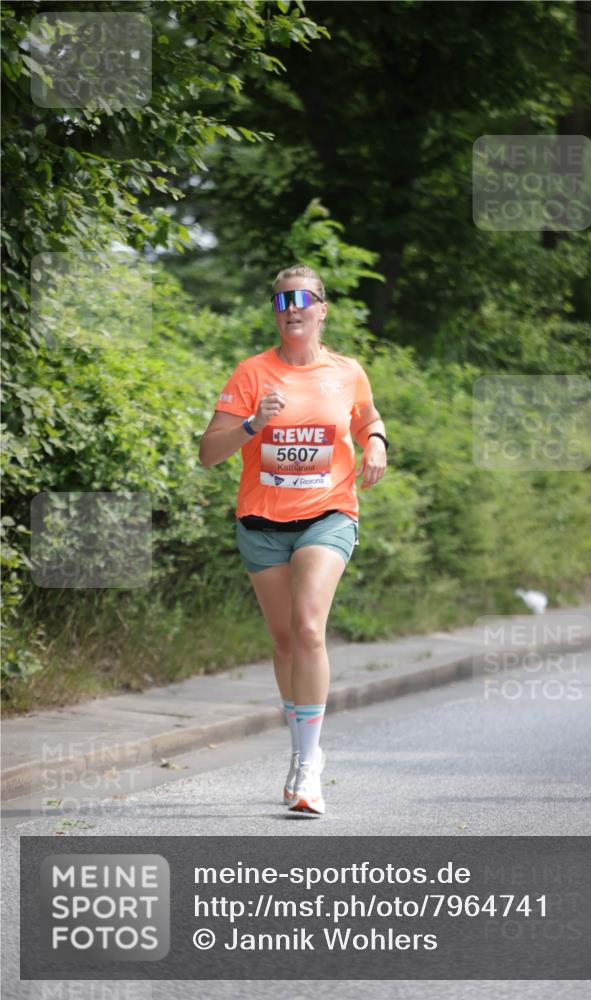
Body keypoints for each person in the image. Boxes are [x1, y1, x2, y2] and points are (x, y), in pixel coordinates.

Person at [199, 264, 388, 815]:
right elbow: (209, 453)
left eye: (304, 298)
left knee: (308, 627)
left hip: (327, 516)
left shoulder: (347, 372)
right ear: (276, 311)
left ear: (323, 308)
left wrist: (375, 443)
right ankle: (298, 749)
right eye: (283, 300)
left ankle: (310, 767)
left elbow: (367, 419)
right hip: (261, 525)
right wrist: (253, 425)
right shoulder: (252, 374)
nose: (293, 307)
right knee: (284, 641)